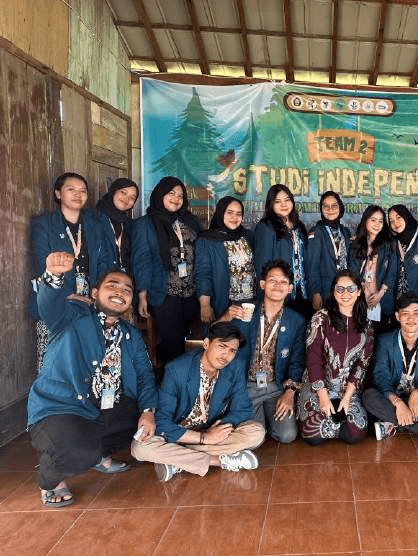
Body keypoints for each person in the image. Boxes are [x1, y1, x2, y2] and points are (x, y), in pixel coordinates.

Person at [27, 252, 156, 507]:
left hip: (104, 408)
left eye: (127, 289)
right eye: (112, 285)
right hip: (61, 407)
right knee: (78, 451)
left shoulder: (130, 334)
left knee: (147, 425)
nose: (120, 292)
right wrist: (53, 276)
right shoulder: (73, 316)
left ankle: (98, 454)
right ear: (95, 293)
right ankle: (51, 480)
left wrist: (148, 411)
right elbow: (49, 306)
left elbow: (145, 375)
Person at [131, 322, 266, 481]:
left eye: (232, 351)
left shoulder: (235, 366)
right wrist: (205, 439)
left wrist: (219, 428)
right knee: (139, 448)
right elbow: (161, 421)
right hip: (180, 433)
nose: (226, 356)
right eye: (222, 346)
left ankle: (177, 460)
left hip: (211, 428)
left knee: (257, 432)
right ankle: (220, 461)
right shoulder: (176, 369)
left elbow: (243, 409)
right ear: (206, 343)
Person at [30, 172, 113, 369]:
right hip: (56, 301)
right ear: (58, 194)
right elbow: (42, 263)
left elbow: (103, 261)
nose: (78, 194)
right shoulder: (44, 224)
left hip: (89, 302)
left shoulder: (94, 225)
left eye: (83, 191)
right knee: (53, 361)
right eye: (71, 189)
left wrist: (98, 292)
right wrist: (69, 295)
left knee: (85, 360)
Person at [221, 260, 305, 444]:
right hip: (247, 386)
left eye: (283, 282)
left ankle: (266, 420)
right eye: (272, 280)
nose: (278, 285)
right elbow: (213, 338)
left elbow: (297, 361)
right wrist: (226, 317)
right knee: (255, 439)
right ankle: (260, 423)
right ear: (262, 284)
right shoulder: (244, 312)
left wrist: (290, 392)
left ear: (290, 288)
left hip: (275, 387)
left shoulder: (296, 321)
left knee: (287, 435)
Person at [131, 176, 203, 367]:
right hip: (164, 293)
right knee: (173, 345)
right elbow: (142, 261)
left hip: (191, 294)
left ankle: (175, 375)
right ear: (160, 194)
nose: (176, 198)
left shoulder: (190, 221)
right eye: (171, 193)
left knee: (184, 341)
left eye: (180, 195)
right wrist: (142, 295)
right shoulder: (145, 224)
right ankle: (172, 381)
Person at [363, 292, 418, 449]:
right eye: (405, 313)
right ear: (397, 316)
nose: (411, 318)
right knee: (368, 396)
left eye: (416, 313)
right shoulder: (384, 341)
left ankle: (392, 424)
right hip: (392, 398)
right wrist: (398, 403)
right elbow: (380, 376)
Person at [297, 270, 374, 444]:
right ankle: (332, 421)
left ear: (359, 292)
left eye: (351, 288)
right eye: (340, 289)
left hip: (347, 388)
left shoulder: (366, 323)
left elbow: (362, 364)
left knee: (356, 433)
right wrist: (323, 397)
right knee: (313, 434)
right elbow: (313, 359)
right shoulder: (321, 318)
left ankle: (338, 421)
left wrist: (347, 397)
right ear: (333, 292)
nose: (346, 293)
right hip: (318, 385)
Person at [196, 196, 256, 324]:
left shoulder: (248, 236)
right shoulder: (207, 241)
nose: (234, 217)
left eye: (238, 214)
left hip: (250, 303)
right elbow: (203, 275)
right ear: (220, 213)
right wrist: (205, 305)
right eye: (230, 213)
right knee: (223, 335)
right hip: (224, 303)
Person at [253, 184, 310, 319]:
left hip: (301, 291)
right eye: (277, 201)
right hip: (278, 292)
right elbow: (262, 264)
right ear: (271, 205)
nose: (283, 204)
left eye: (287, 200)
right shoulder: (265, 227)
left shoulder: (299, 226)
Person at [348, 205, 398, 333]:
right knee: (361, 334)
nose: (377, 224)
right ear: (365, 221)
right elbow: (353, 271)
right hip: (360, 298)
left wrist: (379, 294)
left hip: (383, 298)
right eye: (373, 220)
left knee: (380, 334)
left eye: (380, 221)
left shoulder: (389, 244)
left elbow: (392, 272)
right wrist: (363, 293)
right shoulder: (356, 244)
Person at [307, 190, 352, 310]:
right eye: (325, 206)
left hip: (345, 291)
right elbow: (312, 265)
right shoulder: (316, 232)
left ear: (340, 208)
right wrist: (316, 292)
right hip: (326, 291)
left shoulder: (345, 232)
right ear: (321, 209)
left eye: (334, 206)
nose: (330, 209)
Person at [388, 205, 418, 313]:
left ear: (406, 217)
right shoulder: (394, 240)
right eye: (391, 221)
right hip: (398, 298)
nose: (395, 223)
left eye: (398, 217)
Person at [95, 177, 140, 273]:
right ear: (113, 192)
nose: (127, 199)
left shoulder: (130, 225)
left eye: (132, 197)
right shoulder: (93, 218)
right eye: (123, 192)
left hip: (125, 279)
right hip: (101, 278)